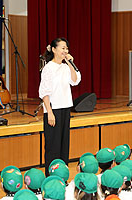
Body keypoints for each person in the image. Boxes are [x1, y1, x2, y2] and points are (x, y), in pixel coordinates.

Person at [39, 37, 81, 176]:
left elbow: (75, 81)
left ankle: (62, 175)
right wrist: (49, 112)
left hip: (65, 108)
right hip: (53, 110)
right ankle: (51, 177)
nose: (65, 51)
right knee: (53, 146)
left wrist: (70, 63)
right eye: (63, 48)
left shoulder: (65, 67)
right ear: (54, 49)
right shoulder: (48, 68)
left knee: (64, 144)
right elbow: (44, 92)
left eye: (67, 48)